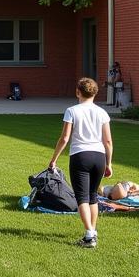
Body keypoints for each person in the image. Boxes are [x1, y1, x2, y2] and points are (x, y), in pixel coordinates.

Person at [48, 77, 113, 248]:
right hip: (99, 156)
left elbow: (65, 138)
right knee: (93, 196)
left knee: (82, 197)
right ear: (95, 93)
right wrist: (109, 163)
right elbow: (108, 142)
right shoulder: (102, 112)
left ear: (78, 92)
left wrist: (54, 159)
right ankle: (93, 230)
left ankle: (89, 235)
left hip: (80, 156)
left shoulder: (72, 111)